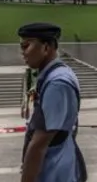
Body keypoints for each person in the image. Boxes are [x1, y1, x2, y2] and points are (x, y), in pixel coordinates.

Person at [19, 22, 84, 182]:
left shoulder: (57, 83)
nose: (23, 53)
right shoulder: (53, 75)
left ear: (46, 48)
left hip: (54, 172)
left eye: (26, 46)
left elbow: (39, 145)